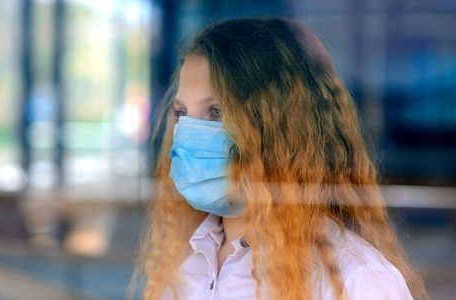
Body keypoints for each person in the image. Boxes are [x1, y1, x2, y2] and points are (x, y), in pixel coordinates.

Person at [129, 17, 428, 299]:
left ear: (279, 131)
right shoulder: (185, 260)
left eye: (216, 112)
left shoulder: (356, 279)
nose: (188, 133)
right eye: (182, 113)